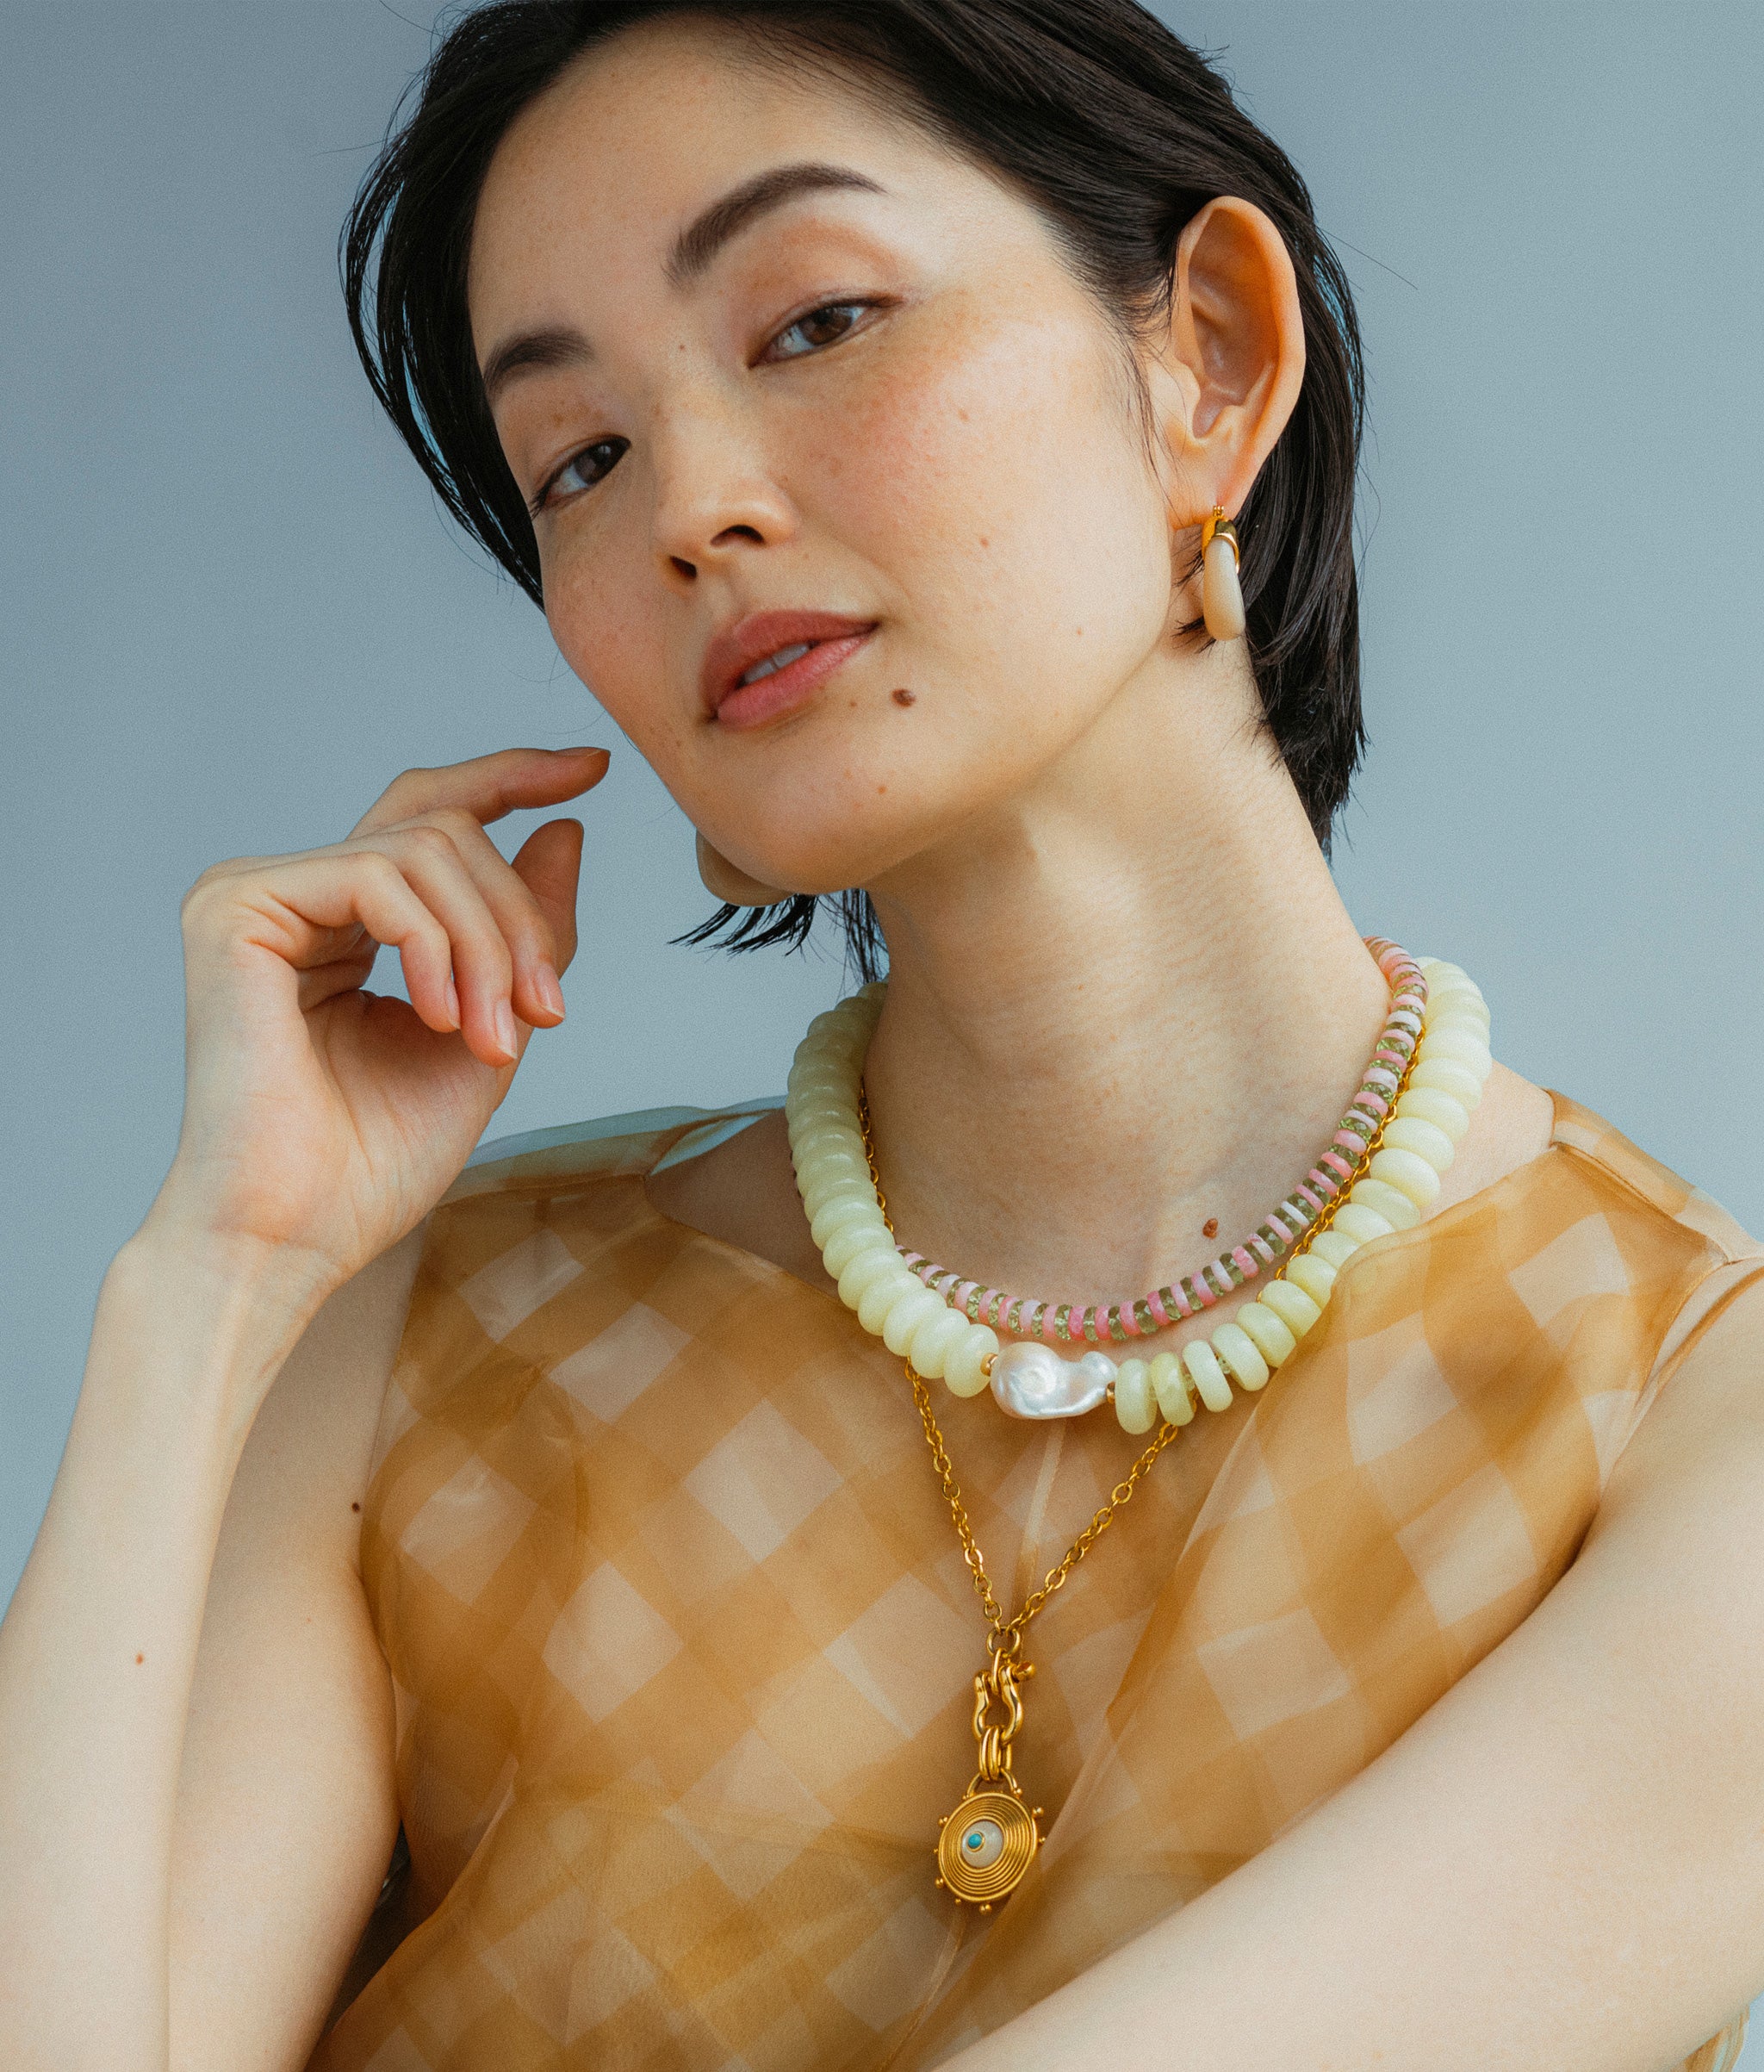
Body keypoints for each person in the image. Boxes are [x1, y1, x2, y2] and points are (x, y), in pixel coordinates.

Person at [3, 1, 1761, 2066]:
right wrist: (211, 1291)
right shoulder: (422, 1346)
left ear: (1205, 356)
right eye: (579, 456)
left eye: (815, 322)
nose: (692, 506)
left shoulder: (1678, 1418)